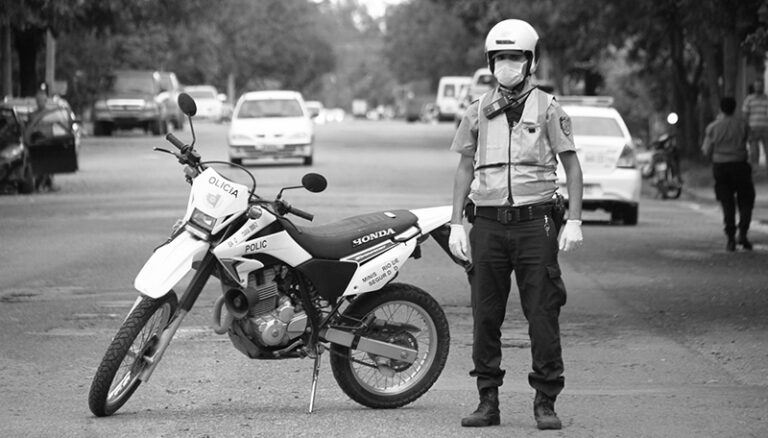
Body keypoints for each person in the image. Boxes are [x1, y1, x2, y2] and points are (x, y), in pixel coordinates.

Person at [447, 18, 584, 431]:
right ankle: (487, 401)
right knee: (485, 316)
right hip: (487, 224)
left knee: (542, 313)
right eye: (501, 57)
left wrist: (574, 219)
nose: (508, 64)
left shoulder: (549, 109)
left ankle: (546, 400)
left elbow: (573, 169)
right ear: (491, 62)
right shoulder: (476, 112)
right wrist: (456, 223)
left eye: (516, 57)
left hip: (534, 223)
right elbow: (464, 168)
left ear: (531, 61)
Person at [701, 97, 755, 251]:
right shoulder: (742, 125)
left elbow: (706, 150)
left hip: (721, 167)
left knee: (727, 202)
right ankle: (743, 232)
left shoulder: (713, 127)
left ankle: (730, 238)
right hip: (740, 165)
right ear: (735, 107)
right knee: (746, 199)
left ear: (721, 108)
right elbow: (751, 143)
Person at [741, 78, 768, 172]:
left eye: (760, 86)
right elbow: (745, 114)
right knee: (754, 151)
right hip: (752, 129)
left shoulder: (767, 98)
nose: (758, 87)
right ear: (754, 87)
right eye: (756, 86)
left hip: (766, 128)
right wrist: (747, 127)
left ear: (763, 86)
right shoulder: (749, 99)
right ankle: (756, 171)